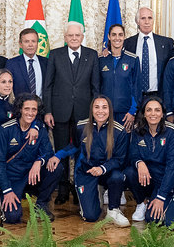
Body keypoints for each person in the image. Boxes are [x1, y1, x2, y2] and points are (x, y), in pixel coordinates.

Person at [50, 95, 130, 225]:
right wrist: (58, 155)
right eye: (96, 107)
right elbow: (75, 146)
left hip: (107, 171)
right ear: (91, 109)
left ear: (110, 110)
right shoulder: (81, 127)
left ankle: (113, 210)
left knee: (118, 177)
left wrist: (102, 169)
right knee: (91, 217)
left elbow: (119, 160)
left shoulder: (119, 131)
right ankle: (95, 191)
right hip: (86, 172)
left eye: (104, 107)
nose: (100, 111)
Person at [44, 22, 100, 204]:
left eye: (77, 35)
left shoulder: (92, 55)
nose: (74, 38)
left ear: (82, 37)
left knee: (80, 152)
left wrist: (95, 114)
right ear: (65, 37)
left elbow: (95, 87)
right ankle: (61, 190)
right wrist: (48, 111)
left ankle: (78, 188)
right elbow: (48, 85)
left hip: (84, 113)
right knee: (60, 151)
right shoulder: (55, 55)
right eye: (70, 36)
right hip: (60, 112)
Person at [0, 94, 63, 224]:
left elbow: (48, 152)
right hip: (13, 178)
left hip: (32, 175)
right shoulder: (6, 129)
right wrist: (7, 190)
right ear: (20, 109)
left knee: (56, 167)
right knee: (12, 217)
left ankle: (41, 204)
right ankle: (8, 196)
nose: (30, 113)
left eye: (34, 110)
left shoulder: (40, 128)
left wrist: (39, 161)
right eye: (27, 109)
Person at [125, 96, 174, 224]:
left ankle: (161, 198)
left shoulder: (172, 132)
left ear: (162, 114)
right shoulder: (138, 130)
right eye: (149, 110)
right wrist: (140, 163)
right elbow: (133, 154)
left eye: (157, 110)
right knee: (129, 172)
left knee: (153, 219)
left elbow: (172, 166)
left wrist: (161, 197)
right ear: (144, 114)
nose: (153, 113)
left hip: (164, 179)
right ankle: (141, 202)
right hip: (147, 176)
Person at [125, 7, 174, 100]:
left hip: (158, 96)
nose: (147, 22)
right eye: (143, 18)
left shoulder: (165, 43)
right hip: (134, 97)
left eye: (150, 18)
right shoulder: (128, 43)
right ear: (137, 21)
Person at [99, 23, 140, 128]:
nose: (117, 38)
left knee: (123, 143)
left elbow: (137, 88)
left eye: (120, 35)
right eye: (114, 34)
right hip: (104, 113)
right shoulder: (100, 60)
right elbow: (96, 87)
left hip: (125, 114)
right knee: (106, 144)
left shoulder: (133, 59)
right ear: (109, 37)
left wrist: (132, 112)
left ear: (124, 37)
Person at [7, 27, 48, 97]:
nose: (30, 45)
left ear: (37, 43)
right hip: (20, 106)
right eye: (26, 41)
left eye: (33, 41)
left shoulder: (46, 62)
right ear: (20, 44)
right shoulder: (12, 64)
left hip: (42, 106)